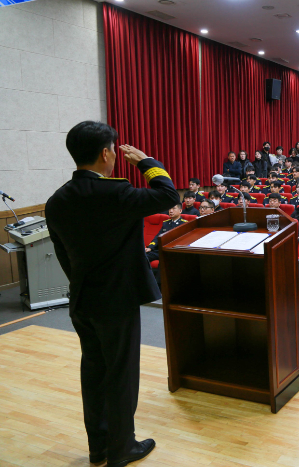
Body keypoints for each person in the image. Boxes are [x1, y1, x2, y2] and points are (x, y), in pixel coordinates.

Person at [45, 121, 177, 466]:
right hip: (116, 300)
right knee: (121, 374)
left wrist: (82, 283)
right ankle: (122, 448)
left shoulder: (57, 200)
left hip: (82, 298)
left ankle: (98, 447)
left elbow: (62, 253)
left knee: (94, 372)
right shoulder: (115, 192)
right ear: (106, 153)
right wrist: (146, 161)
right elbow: (168, 195)